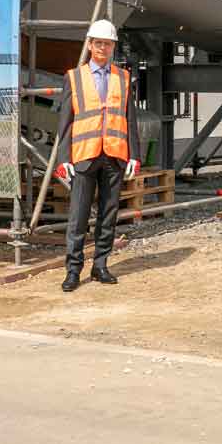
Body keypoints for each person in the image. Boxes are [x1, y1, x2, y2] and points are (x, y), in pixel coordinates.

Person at [52, 19, 141, 292]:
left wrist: (134, 155)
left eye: (108, 43)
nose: (103, 47)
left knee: (108, 214)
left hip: (114, 155)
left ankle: (100, 265)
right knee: (78, 216)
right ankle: (73, 270)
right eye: (99, 43)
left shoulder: (123, 78)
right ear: (90, 45)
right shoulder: (74, 77)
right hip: (85, 155)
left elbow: (130, 118)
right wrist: (63, 159)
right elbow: (65, 122)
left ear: (113, 46)